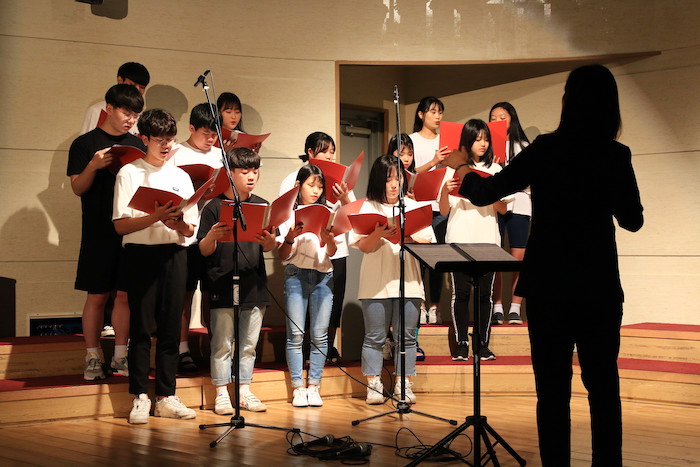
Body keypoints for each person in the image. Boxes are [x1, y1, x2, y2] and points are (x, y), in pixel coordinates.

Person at [444, 64, 643, 466]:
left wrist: (462, 165)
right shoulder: (615, 154)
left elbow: (485, 192)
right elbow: (633, 220)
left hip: (548, 283)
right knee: (604, 389)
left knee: (552, 394)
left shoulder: (546, 148)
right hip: (597, 283)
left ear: (568, 101)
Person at [113, 109, 198, 424]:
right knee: (141, 327)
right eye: (159, 139)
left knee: (170, 327)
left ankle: (166, 395)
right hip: (140, 254)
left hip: (174, 253)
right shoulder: (129, 173)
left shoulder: (181, 177)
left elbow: (191, 229)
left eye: (170, 139)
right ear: (144, 138)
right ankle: (139, 395)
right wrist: (155, 217)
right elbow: (120, 225)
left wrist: (178, 224)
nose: (165, 145)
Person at [67, 83, 145, 380]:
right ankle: (92, 355)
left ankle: (121, 356)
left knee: (124, 295)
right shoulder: (85, 143)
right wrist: (94, 165)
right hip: (98, 229)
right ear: (109, 109)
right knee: (97, 295)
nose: (130, 120)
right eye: (126, 113)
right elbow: (78, 187)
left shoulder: (137, 145)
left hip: (129, 229)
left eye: (135, 115)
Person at [349, 155, 435, 405]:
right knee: (375, 336)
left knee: (406, 337)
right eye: (388, 179)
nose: (395, 184)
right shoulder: (367, 207)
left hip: (409, 281)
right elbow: (363, 247)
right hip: (376, 283)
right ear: (378, 180)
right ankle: (374, 384)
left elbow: (427, 243)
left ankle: (402, 383)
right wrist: (378, 233)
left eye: (398, 178)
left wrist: (406, 237)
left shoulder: (413, 206)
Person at [198, 148, 275, 414]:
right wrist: (212, 236)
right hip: (222, 281)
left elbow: (269, 247)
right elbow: (203, 250)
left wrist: (270, 241)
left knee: (248, 345)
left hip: (254, 283)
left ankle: (243, 391)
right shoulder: (214, 207)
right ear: (230, 174)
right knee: (222, 343)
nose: (251, 176)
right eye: (244, 171)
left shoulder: (263, 205)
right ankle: (221, 393)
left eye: (255, 171)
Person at [439, 120, 509, 361]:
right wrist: (445, 191)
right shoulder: (454, 168)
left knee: (484, 295)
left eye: (486, 139)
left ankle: (482, 343)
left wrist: (487, 191)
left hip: (488, 240)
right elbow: (444, 211)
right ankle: (462, 343)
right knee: (461, 293)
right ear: (467, 141)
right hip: (459, 238)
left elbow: (503, 209)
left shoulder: (496, 169)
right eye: (478, 139)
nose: (483, 143)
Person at [279, 132, 352, 363]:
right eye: (324, 151)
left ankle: (328, 349)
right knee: (304, 307)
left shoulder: (340, 181)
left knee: (333, 303)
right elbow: (283, 210)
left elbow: (353, 216)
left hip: (334, 249)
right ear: (310, 152)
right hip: (303, 252)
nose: (330, 156)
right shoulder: (293, 178)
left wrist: (345, 197)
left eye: (332, 152)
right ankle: (305, 352)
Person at [169, 103, 223, 372]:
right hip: (186, 234)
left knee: (214, 294)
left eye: (214, 134)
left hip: (213, 232)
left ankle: (217, 348)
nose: (211, 139)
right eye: (205, 134)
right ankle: (182, 349)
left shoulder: (221, 155)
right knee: (185, 294)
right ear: (191, 128)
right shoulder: (176, 153)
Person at [278, 165, 336, 408]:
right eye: (311, 185)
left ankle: (314, 386)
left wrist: (329, 240)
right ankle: (297, 387)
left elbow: (332, 251)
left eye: (320, 186)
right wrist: (290, 237)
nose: (316, 190)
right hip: (296, 275)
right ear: (298, 186)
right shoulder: (287, 214)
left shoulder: (328, 212)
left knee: (320, 335)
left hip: (323, 276)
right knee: (296, 334)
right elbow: (282, 255)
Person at [488, 102, 531, 325]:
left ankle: (515, 307)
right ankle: (496, 306)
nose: (497, 121)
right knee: (494, 256)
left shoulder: (523, 146)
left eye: (502, 117)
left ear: (512, 119)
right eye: (493, 118)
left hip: (521, 204)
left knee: (518, 257)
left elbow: (531, 178)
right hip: (496, 204)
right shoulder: (486, 147)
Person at [409, 97, 450, 325]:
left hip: (439, 207)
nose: (437, 116)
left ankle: (434, 306)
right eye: (433, 111)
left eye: (440, 112)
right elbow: (408, 172)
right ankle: (421, 304)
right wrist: (434, 160)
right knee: (419, 259)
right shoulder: (412, 140)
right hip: (418, 205)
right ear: (421, 114)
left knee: (437, 260)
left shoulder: (445, 140)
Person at [80, 62, 150, 136]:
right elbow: (86, 140)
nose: (137, 90)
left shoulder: (144, 118)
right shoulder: (97, 110)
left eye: (142, 87)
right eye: (132, 85)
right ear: (120, 81)